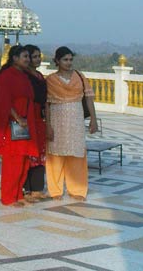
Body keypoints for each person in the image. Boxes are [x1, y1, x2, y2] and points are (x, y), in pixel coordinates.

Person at [46, 46, 98, 201]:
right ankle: (55, 190)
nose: (68, 63)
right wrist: (48, 124)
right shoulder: (50, 80)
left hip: (76, 118)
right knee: (56, 154)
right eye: (65, 60)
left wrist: (93, 119)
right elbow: (46, 104)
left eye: (70, 59)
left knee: (76, 152)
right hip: (57, 119)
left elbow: (89, 98)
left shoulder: (80, 77)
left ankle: (77, 189)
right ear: (57, 61)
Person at [0, 45, 41, 206]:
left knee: (24, 160)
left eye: (28, 57)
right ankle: (8, 197)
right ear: (14, 58)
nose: (27, 60)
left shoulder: (24, 76)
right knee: (12, 161)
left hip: (27, 122)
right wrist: (18, 118)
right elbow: (4, 101)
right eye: (24, 56)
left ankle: (18, 193)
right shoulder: (7, 76)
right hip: (14, 124)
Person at [22, 44, 48, 201]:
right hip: (28, 116)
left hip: (39, 118)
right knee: (27, 152)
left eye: (39, 56)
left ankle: (37, 189)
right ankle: (26, 188)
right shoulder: (23, 76)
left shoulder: (39, 76)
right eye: (34, 56)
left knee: (39, 153)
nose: (38, 59)